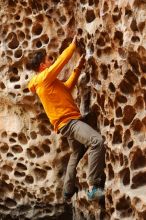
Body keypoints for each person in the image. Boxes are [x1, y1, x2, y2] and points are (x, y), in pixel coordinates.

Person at [27, 36, 105, 202]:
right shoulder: (43, 79)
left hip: (66, 123)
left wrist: (78, 68)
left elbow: (68, 86)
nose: (52, 59)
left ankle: (68, 190)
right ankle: (93, 187)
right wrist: (73, 45)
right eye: (49, 58)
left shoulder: (49, 82)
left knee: (77, 152)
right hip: (69, 123)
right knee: (96, 141)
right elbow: (60, 63)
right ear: (42, 66)